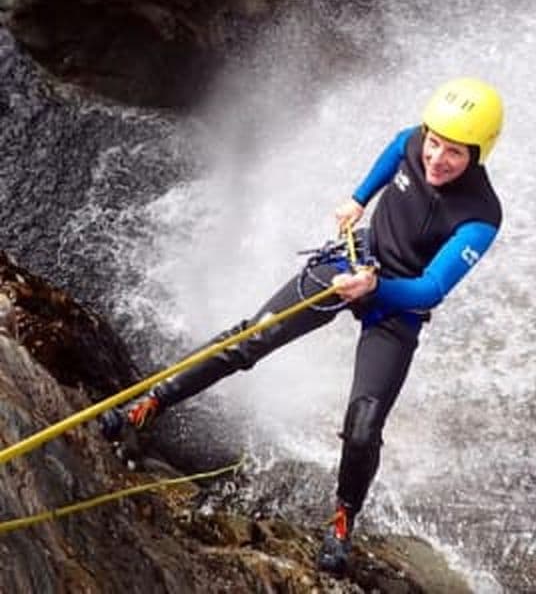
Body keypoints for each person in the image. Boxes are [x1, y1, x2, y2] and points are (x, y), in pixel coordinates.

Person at [99, 76, 504, 574]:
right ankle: (149, 405)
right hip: (354, 259)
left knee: (364, 426)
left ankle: (342, 521)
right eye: (435, 144)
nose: (435, 160)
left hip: (395, 303)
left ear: (479, 153)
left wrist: (374, 289)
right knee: (249, 339)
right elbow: (398, 148)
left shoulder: (482, 216)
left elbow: (432, 289)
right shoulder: (418, 140)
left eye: (453, 154)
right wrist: (358, 198)